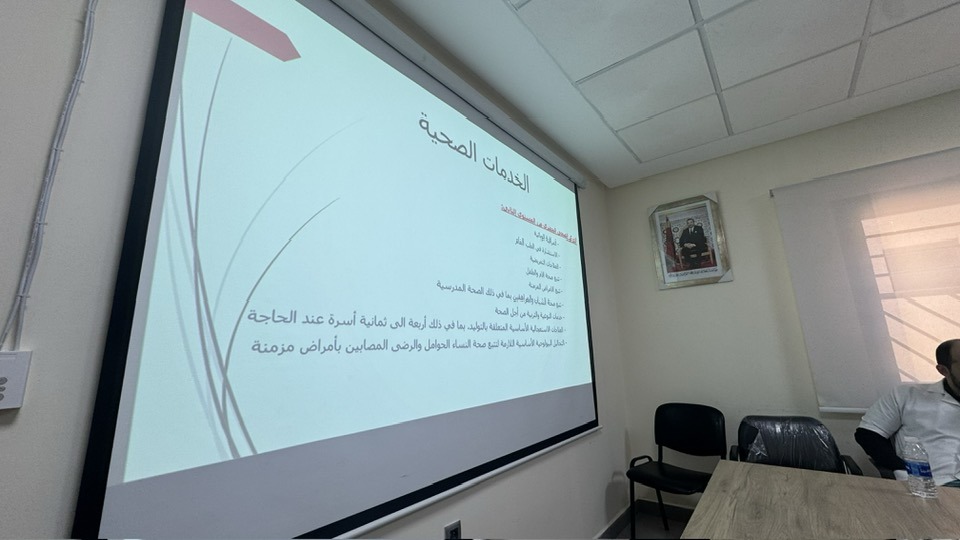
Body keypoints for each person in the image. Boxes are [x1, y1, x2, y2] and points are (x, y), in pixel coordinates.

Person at [855, 338, 960, 487]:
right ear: (943, 370)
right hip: (937, 482)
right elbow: (868, 434)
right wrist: (903, 469)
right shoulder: (907, 395)